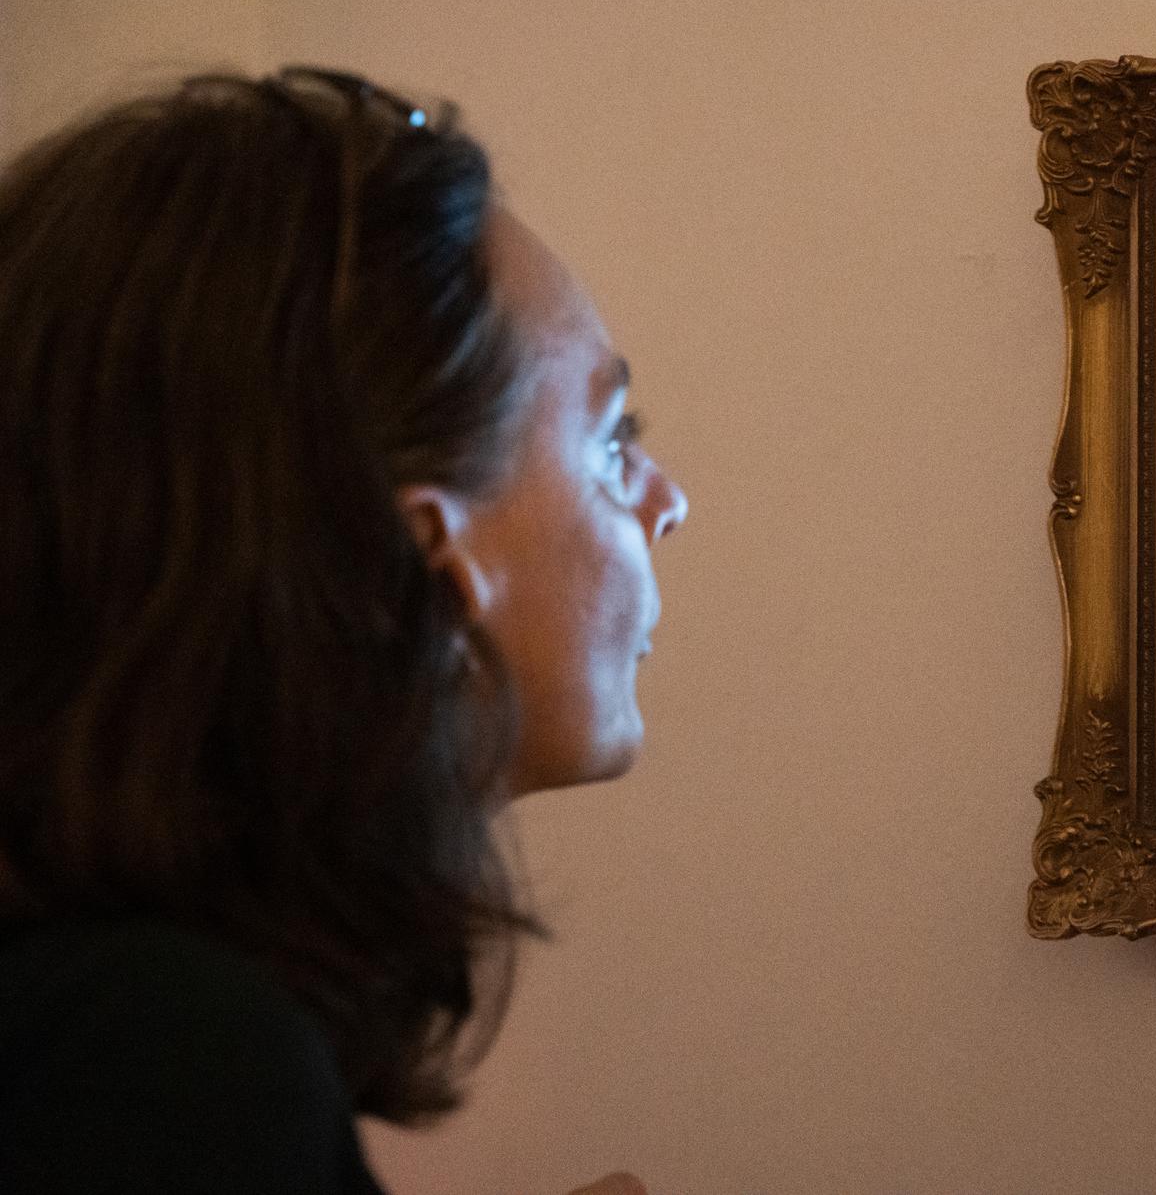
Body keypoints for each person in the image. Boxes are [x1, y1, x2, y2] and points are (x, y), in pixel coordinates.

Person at [0, 68, 683, 1193]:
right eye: (611, 440)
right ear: (425, 552)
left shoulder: (89, 1020)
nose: (667, 501)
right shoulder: (163, 1064)